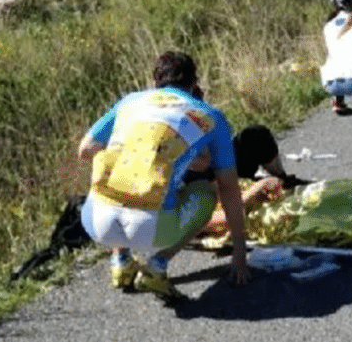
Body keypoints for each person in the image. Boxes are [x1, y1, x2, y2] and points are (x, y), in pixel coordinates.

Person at [76, 51, 249, 303]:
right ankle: (156, 267)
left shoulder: (131, 101)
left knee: (121, 174)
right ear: (194, 83)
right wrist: (240, 253)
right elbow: (229, 189)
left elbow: (85, 151)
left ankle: (121, 262)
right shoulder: (210, 117)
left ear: (154, 81)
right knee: (206, 193)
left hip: (96, 223)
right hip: (152, 230)